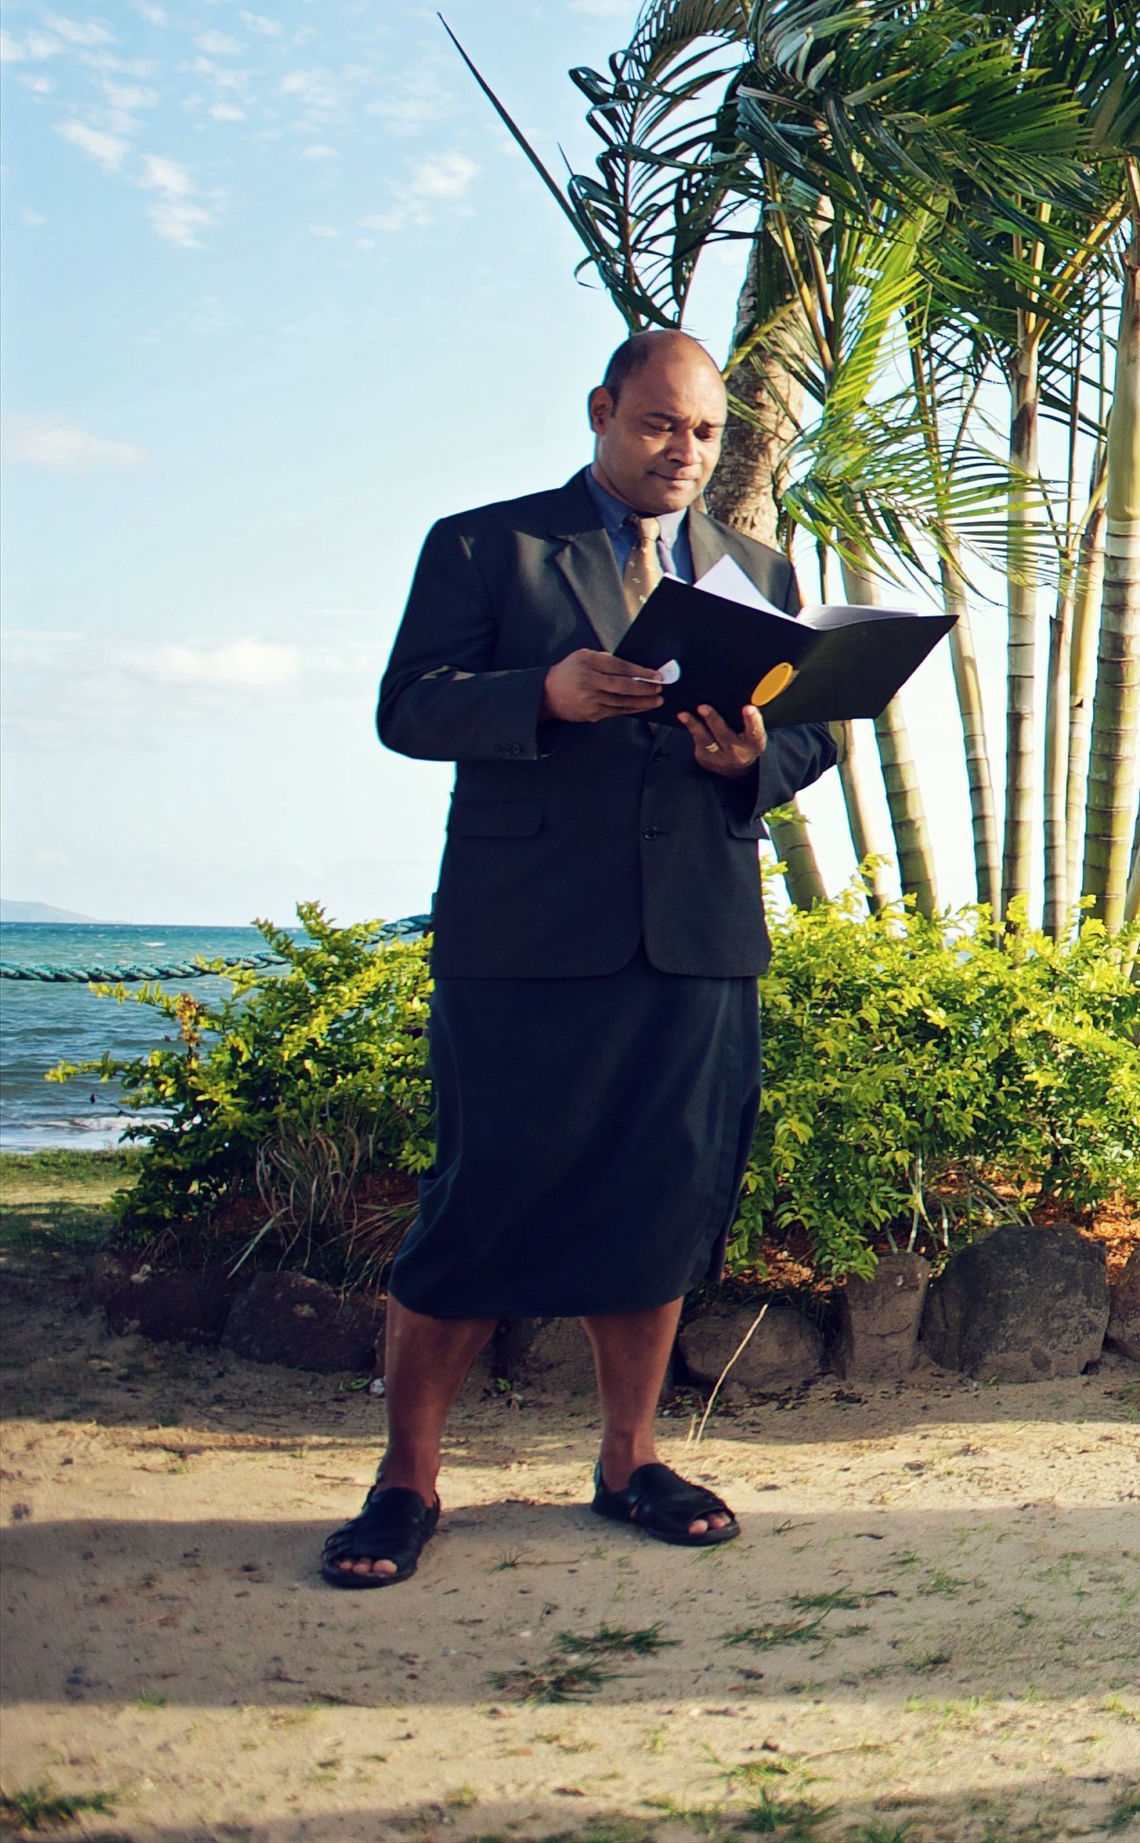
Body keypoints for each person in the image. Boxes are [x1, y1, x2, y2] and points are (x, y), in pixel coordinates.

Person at [323, 331, 840, 1590]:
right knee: (479, 1191)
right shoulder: (484, 543)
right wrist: (540, 695)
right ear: (604, 411)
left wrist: (748, 761)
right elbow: (410, 705)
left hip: (697, 933)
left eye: (706, 432)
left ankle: (630, 1460)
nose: (685, 450)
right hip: (526, 935)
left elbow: (811, 737)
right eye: (662, 424)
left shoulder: (755, 566)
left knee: (658, 1197)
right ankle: (406, 1480)